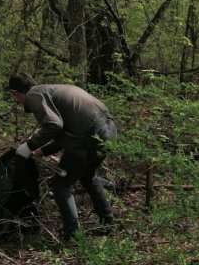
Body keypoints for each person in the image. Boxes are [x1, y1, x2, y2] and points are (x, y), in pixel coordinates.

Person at [8, 72, 117, 240]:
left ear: (15, 93)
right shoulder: (52, 89)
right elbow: (69, 131)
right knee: (88, 177)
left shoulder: (35, 95)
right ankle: (108, 223)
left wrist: (29, 145)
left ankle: (72, 236)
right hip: (108, 131)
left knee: (60, 185)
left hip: (91, 137)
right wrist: (41, 151)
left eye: (15, 97)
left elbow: (54, 125)